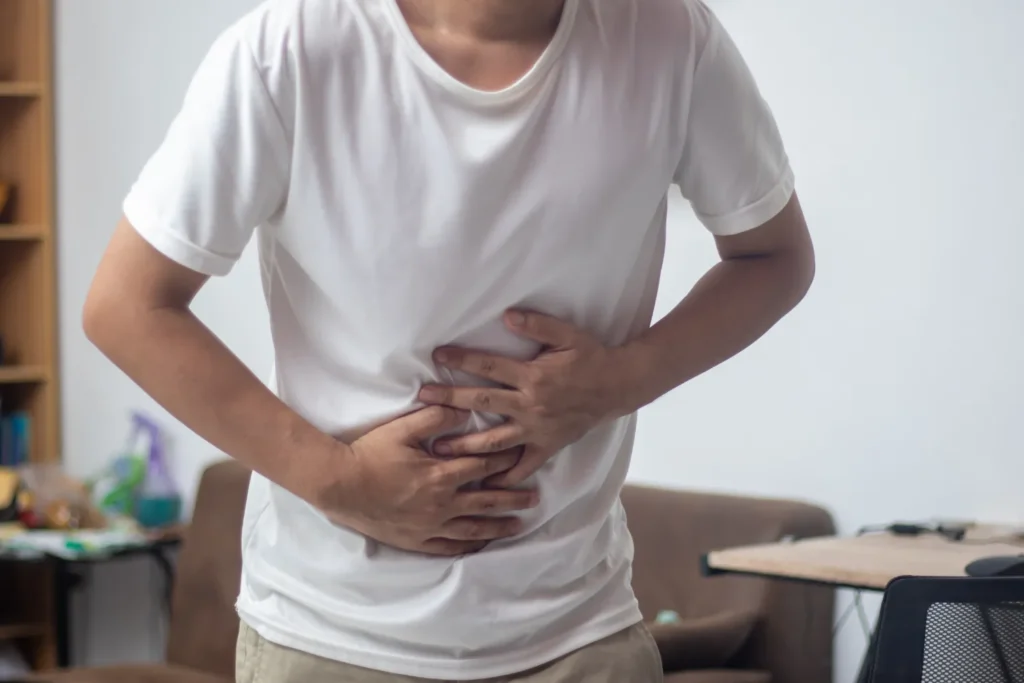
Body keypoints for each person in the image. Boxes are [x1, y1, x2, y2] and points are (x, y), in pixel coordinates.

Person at [84, 0, 815, 681]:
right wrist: (342, 482)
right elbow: (127, 306)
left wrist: (624, 379)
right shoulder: (290, 49)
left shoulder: (670, 40)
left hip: (577, 633)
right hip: (329, 636)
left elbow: (775, 257)